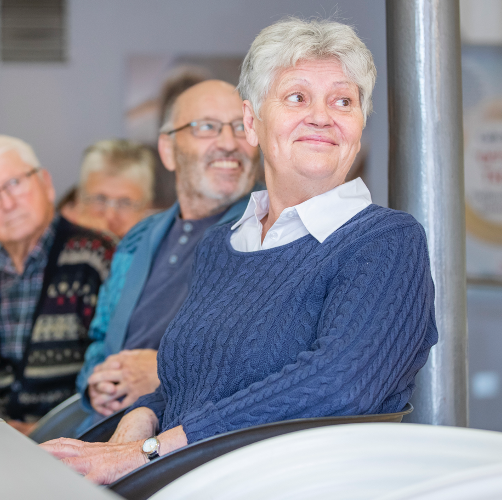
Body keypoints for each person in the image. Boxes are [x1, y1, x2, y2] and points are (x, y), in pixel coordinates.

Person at [42, 18, 438, 485]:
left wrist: (149, 451)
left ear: (358, 123)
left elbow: (340, 384)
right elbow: (194, 382)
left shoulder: (386, 240)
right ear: (252, 121)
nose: (321, 116)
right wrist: (142, 417)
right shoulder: (223, 243)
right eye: (296, 97)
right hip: (187, 480)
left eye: (343, 100)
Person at [74, 79, 261, 428]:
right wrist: (93, 382)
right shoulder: (138, 237)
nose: (228, 143)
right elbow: (101, 337)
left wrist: (164, 373)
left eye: (241, 127)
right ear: (168, 149)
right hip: (102, 426)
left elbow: (268, 356)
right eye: (206, 127)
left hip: (187, 439)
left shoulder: (270, 231)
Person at [0, 136, 116, 435]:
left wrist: (47, 432)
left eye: (14, 184)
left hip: (77, 441)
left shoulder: (97, 255)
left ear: (45, 183)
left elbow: (116, 367)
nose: (7, 203)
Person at [74, 140, 156, 238]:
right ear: (80, 201)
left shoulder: (157, 251)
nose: (110, 215)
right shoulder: (58, 246)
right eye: (100, 199)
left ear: (145, 208)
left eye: (125, 202)